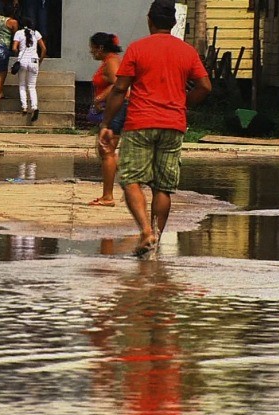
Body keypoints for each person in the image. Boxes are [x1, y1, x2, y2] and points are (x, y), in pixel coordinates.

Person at [98, 0, 211, 257]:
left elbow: (119, 88)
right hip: (173, 125)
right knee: (163, 187)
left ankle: (146, 231)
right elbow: (205, 86)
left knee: (131, 180)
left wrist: (106, 123)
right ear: (172, 22)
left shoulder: (138, 49)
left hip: (140, 123)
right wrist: (183, 104)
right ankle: (156, 239)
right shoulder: (187, 51)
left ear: (150, 20)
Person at [88, 32, 127, 208]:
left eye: (92, 48)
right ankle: (131, 183)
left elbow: (117, 85)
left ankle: (108, 196)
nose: (91, 52)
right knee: (105, 151)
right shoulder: (109, 61)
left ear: (100, 48)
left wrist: (99, 99)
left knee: (107, 150)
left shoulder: (111, 61)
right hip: (113, 108)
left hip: (117, 108)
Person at [12, 17, 47, 122]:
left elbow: (14, 48)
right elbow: (44, 49)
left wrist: (18, 53)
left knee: (22, 85)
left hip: (22, 61)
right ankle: (35, 107)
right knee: (32, 86)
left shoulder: (18, 33)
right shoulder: (36, 33)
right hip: (34, 61)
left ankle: (24, 107)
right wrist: (39, 60)